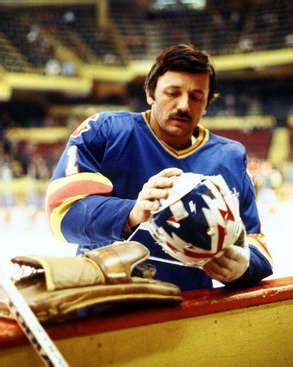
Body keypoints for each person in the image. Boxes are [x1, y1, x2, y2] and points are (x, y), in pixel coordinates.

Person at [46, 44, 272, 291]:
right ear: (150, 93)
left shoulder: (230, 156)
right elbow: (62, 214)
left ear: (206, 104)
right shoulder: (104, 131)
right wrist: (132, 212)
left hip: (190, 311)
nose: (184, 105)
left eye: (196, 97)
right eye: (173, 93)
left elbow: (257, 244)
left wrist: (243, 266)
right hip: (104, 302)